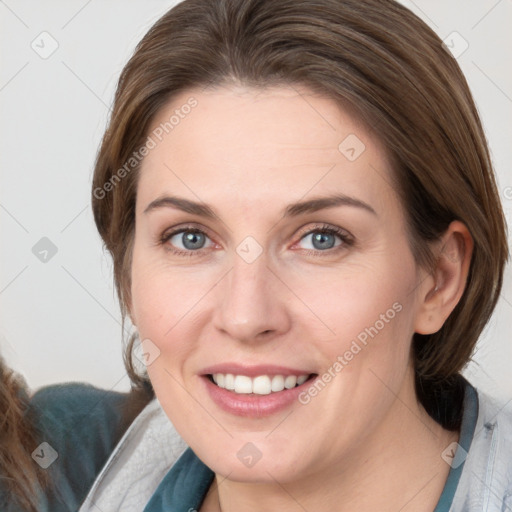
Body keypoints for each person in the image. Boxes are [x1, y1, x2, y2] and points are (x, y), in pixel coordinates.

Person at [6, 0, 511, 510]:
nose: (246, 316)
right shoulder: (50, 469)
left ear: (440, 278)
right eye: (190, 238)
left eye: (321, 238)